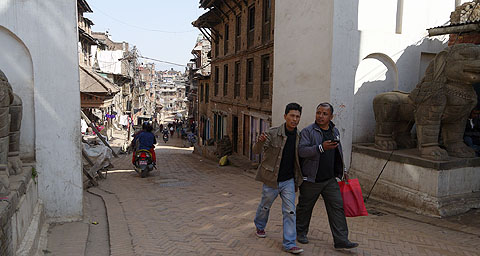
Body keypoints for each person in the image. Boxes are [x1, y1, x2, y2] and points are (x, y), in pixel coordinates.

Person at [296, 102, 358, 250]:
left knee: (337, 207)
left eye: (324, 114)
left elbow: (339, 152)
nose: (320, 116)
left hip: (330, 179)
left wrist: (343, 170)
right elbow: (302, 151)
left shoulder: (334, 131)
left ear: (331, 116)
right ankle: (300, 232)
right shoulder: (308, 131)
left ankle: (341, 240)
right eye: (318, 113)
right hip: (312, 179)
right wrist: (321, 147)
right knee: (305, 208)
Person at [253, 103, 304, 254]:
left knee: (290, 211)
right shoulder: (272, 133)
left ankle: (289, 243)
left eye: (297, 117)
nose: (295, 119)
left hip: (288, 181)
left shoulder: (300, 136)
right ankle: (260, 226)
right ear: (285, 116)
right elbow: (256, 151)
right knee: (265, 206)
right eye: (292, 116)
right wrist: (261, 141)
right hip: (271, 179)